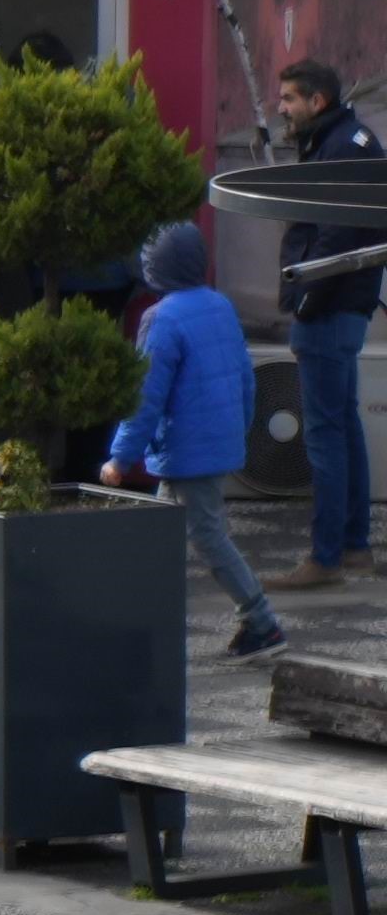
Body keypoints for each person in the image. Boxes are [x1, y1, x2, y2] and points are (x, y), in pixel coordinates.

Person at [112, 219, 292, 657]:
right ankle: (144, 620)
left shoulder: (160, 319)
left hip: (186, 451)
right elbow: (246, 379)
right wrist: (239, 430)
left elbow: (145, 396)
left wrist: (120, 456)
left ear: (156, 269)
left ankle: (262, 623)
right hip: (216, 442)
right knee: (163, 535)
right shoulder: (220, 305)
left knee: (208, 537)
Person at [276, 60, 379, 577]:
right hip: (344, 308)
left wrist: (304, 301)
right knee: (343, 425)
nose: (281, 108)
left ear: (317, 101)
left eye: (289, 99)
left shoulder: (340, 148)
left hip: (328, 310)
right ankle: (353, 546)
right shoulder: (345, 141)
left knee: (324, 434)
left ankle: (326, 557)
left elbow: (335, 238)